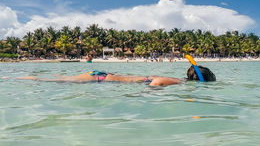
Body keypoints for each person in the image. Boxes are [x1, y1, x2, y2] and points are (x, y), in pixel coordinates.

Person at [18, 65, 216, 86]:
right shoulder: (177, 82)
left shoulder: (179, 81)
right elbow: (155, 83)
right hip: (100, 78)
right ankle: (25, 78)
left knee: (60, 80)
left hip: (102, 77)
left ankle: (30, 77)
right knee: (50, 81)